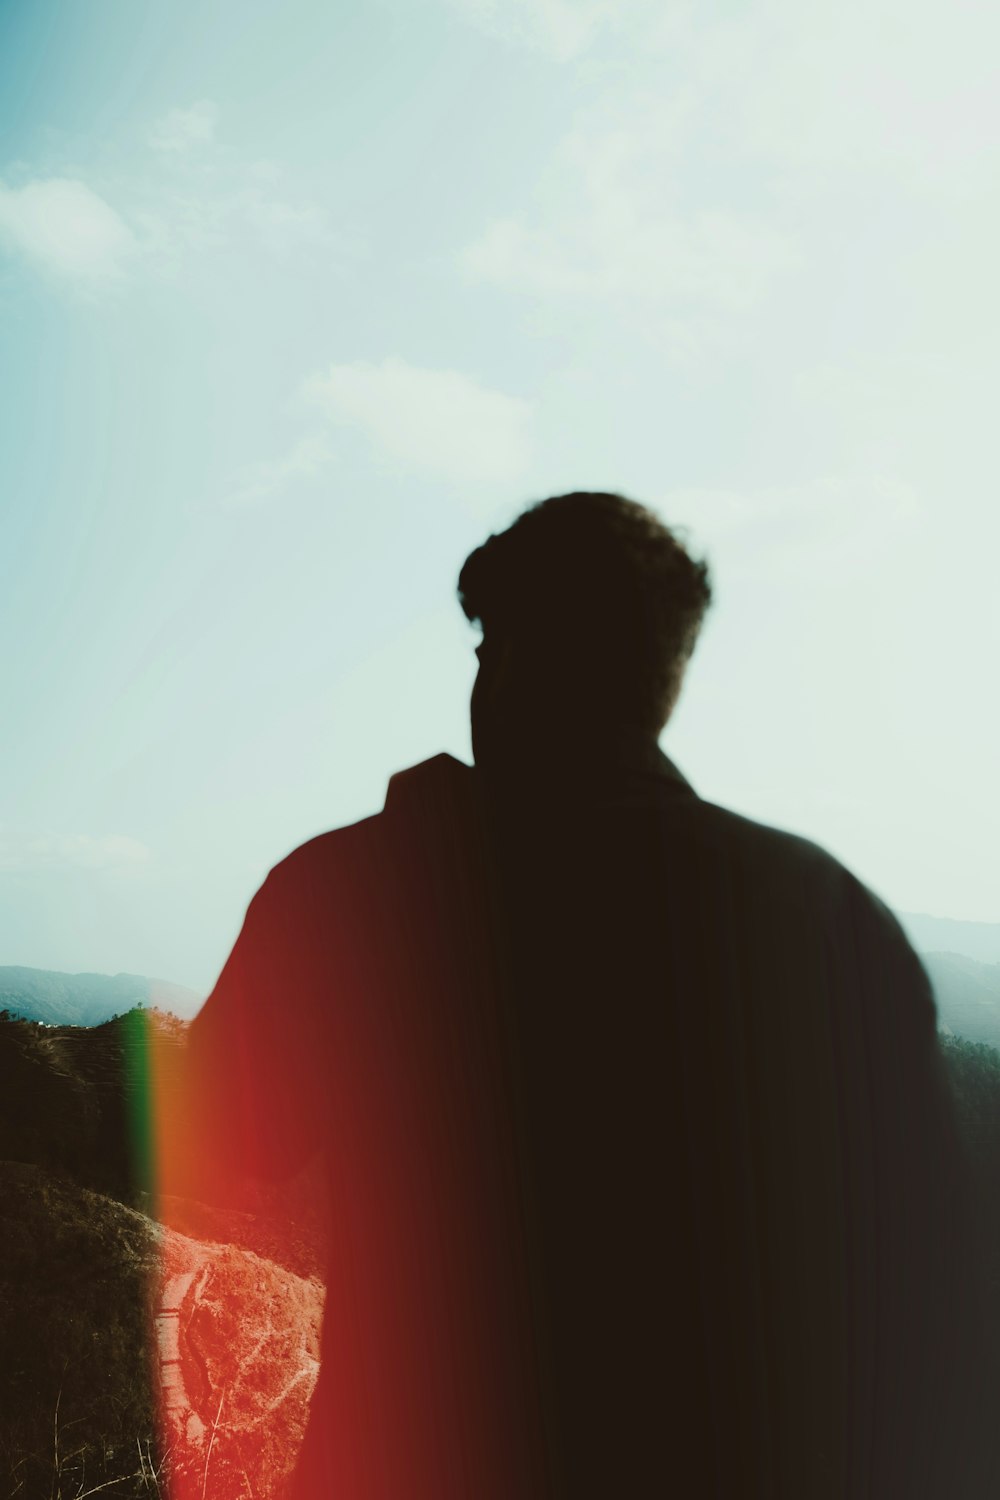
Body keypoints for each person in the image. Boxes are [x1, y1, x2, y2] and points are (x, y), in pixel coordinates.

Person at [168, 491, 995, 1498]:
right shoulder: (823, 915)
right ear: (664, 680)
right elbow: (940, 1302)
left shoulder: (360, 887)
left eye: (484, 649)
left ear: (507, 658)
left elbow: (220, 1136)